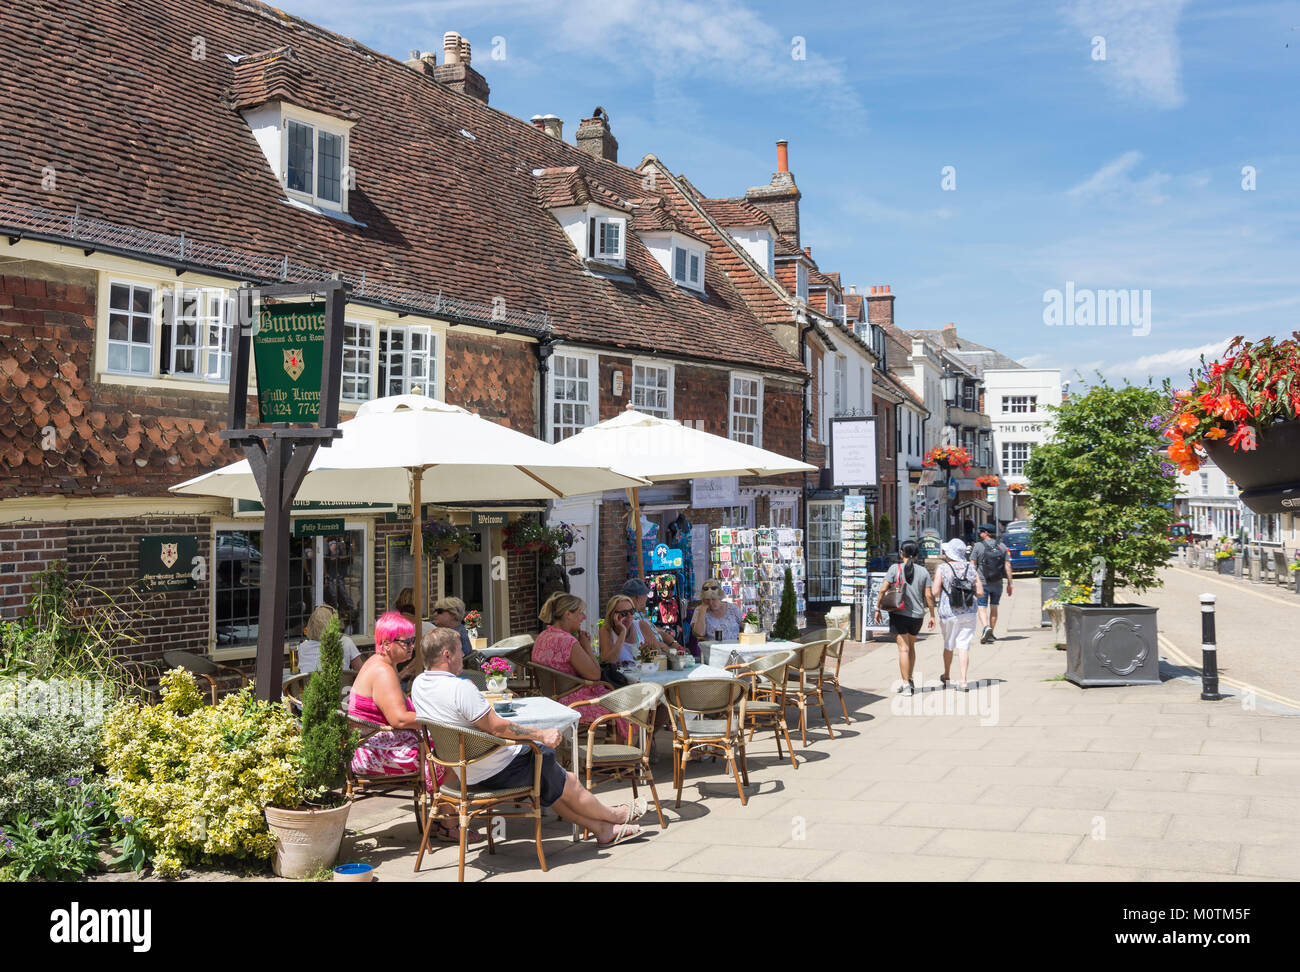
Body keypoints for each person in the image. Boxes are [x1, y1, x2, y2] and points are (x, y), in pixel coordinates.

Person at [412, 627, 644, 845]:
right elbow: (497, 728)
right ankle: (615, 815)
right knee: (567, 779)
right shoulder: (460, 688)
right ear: (447, 655)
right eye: (460, 650)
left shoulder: (419, 684)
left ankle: (601, 830)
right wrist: (541, 734)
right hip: (497, 768)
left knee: (556, 784)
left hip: (467, 770)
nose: (464, 654)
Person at [349, 611, 479, 844]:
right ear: (386, 643)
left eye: (413, 641)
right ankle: (448, 823)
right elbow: (398, 719)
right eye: (406, 642)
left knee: (444, 744)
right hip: (375, 753)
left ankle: (441, 817)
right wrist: (439, 716)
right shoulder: (383, 671)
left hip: (372, 745)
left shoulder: (380, 663)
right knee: (451, 752)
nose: (411, 647)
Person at [531, 592, 629, 739]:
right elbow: (596, 675)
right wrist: (587, 646)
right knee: (623, 704)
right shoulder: (567, 641)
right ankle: (619, 756)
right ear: (567, 614)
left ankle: (615, 752)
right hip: (571, 703)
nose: (584, 617)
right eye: (580, 613)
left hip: (550, 698)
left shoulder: (543, 636)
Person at [873, 540, 936, 696]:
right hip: (917, 616)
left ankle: (906, 684)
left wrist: (877, 608)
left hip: (899, 614)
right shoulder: (924, 571)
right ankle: (909, 678)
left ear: (901, 553)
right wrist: (933, 615)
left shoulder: (895, 568)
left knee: (903, 649)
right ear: (916, 555)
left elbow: (882, 590)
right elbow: (928, 595)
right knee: (911, 647)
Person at [930, 538, 984, 692]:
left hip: (949, 612)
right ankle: (964, 681)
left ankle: (946, 675)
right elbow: (980, 593)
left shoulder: (943, 568)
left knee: (949, 644)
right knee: (964, 646)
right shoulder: (971, 568)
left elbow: (934, 592)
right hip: (969, 611)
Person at [971, 524, 1013, 644]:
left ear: (986, 533)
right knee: (994, 607)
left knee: (981, 607)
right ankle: (991, 633)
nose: (979, 534)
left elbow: (972, 564)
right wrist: (1010, 583)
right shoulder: (1002, 546)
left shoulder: (978, 546)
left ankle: (986, 627)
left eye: (981, 532)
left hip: (982, 583)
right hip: (998, 582)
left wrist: (972, 581)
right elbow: (1008, 565)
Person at [599, 593, 665, 665]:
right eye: (624, 613)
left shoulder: (642, 625)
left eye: (632, 611)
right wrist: (623, 632)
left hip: (641, 674)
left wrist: (646, 654)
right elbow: (608, 662)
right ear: (613, 615)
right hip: (620, 676)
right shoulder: (606, 631)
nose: (629, 616)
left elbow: (658, 654)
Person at [296, 604, 363, 674]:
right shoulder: (345, 642)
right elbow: (361, 672)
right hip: (341, 684)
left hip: (312, 684)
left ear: (311, 624)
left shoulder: (302, 647)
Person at [620, 577, 677, 649]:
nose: (646, 598)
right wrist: (662, 646)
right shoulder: (629, 617)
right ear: (637, 597)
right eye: (645, 595)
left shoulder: (639, 613)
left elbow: (658, 631)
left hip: (660, 650)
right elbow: (645, 643)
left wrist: (674, 643)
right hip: (654, 654)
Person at [690, 578, 745, 642]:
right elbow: (699, 633)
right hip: (712, 649)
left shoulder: (733, 609)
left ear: (720, 597)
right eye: (707, 599)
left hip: (734, 648)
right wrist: (703, 610)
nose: (710, 602)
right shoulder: (699, 610)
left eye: (713, 599)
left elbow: (745, 628)